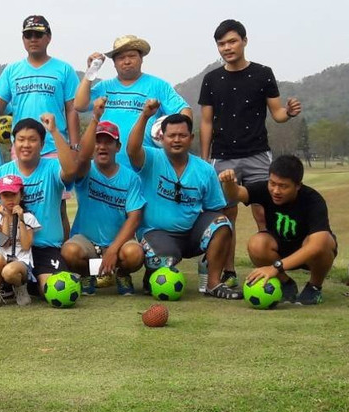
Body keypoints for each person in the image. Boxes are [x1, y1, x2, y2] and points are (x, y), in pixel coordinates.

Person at [198, 19, 302, 288]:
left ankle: (272, 267)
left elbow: (276, 113)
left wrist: (288, 113)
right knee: (226, 215)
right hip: (223, 156)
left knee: (263, 212)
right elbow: (206, 122)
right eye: (221, 44)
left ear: (244, 40)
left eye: (232, 41)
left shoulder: (263, 74)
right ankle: (228, 270)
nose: (227, 48)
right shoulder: (211, 79)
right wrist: (204, 160)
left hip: (257, 154)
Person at [127, 101, 241, 300]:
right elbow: (132, 150)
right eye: (171, 135)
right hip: (157, 233)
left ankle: (213, 282)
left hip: (191, 234)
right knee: (164, 261)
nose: (177, 140)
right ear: (162, 138)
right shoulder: (152, 159)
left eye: (182, 135)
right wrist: (145, 116)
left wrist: (213, 242)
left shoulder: (204, 169)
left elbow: (215, 209)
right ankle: (152, 273)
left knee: (223, 224)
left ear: (191, 138)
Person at [0, 115, 76, 301]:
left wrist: (54, 131)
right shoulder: (2, 172)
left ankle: (22, 282)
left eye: (32, 140)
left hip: (43, 247)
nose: (26, 145)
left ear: (42, 143)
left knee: (49, 292)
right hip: (9, 247)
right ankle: (1, 282)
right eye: (21, 140)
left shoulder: (52, 168)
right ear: (14, 143)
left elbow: (71, 170)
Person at [219, 155, 337, 306]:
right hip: (279, 249)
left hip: (308, 253)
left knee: (325, 242)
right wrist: (229, 183)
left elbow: (316, 245)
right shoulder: (264, 189)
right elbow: (236, 193)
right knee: (256, 243)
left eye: (283, 186)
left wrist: (276, 267)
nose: (276, 190)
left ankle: (314, 287)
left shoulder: (313, 200)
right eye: (272, 183)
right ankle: (286, 284)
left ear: (298, 185)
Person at [61, 98, 145, 295]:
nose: (102, 146)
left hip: (118, 242)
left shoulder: (130, 178)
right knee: (69, 252)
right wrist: (95, 118)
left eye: (108, 142)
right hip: (87, 242)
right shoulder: (85, 170)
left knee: (134, 254)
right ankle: (88, 275)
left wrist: (114, 249)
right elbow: (82, 156)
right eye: (98, 141)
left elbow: (134, 218)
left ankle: (121, 274)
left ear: (118, 146)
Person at [73, 35, 191, 167]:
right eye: (121, 58)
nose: (127, 61)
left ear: (141, 59)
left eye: (132, 56)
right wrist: (91, 70)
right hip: (106, 166)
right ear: (114, 63)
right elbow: (79, 104)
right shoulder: (104, 87)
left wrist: (177, 140)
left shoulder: (158, 86)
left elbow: (184, 111)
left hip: (146, 166)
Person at [0, 15, 80, 155]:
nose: (33, 39)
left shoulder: (64, 69)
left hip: (55, 147)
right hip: (22, 147)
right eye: (28, 35)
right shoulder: (12, 70)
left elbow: (72, 110)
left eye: (38, 34)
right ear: (23, 39)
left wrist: (75, 147)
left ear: (49, 37)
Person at [0, 175, 39, 309]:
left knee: (9, 272)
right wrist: (6, 218)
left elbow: (26, 246)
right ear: (0, 198)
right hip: (4, 258)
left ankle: (21, 288)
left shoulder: (28, 217)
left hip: (22, 262)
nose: (10, 199)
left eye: (13, 194)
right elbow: (4, 243)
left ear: (21, 195)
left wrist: (20, 220)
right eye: (5, 195)